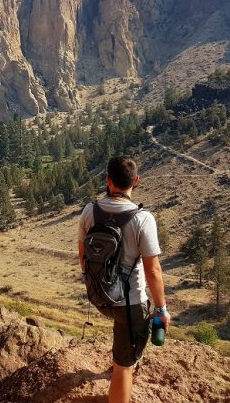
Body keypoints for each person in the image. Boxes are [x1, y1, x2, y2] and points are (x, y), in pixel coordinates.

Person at [77, 155, 169, 403]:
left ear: (107, 181)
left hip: (99, 299)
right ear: (136, 181)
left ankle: (121, 357)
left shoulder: (90, 211)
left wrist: (100, 286)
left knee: (123, 333)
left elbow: (82, 256)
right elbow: (153, 271)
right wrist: (161, 309)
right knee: (124, 368)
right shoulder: (142, 219)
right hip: (130, 305)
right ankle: (121, 369)